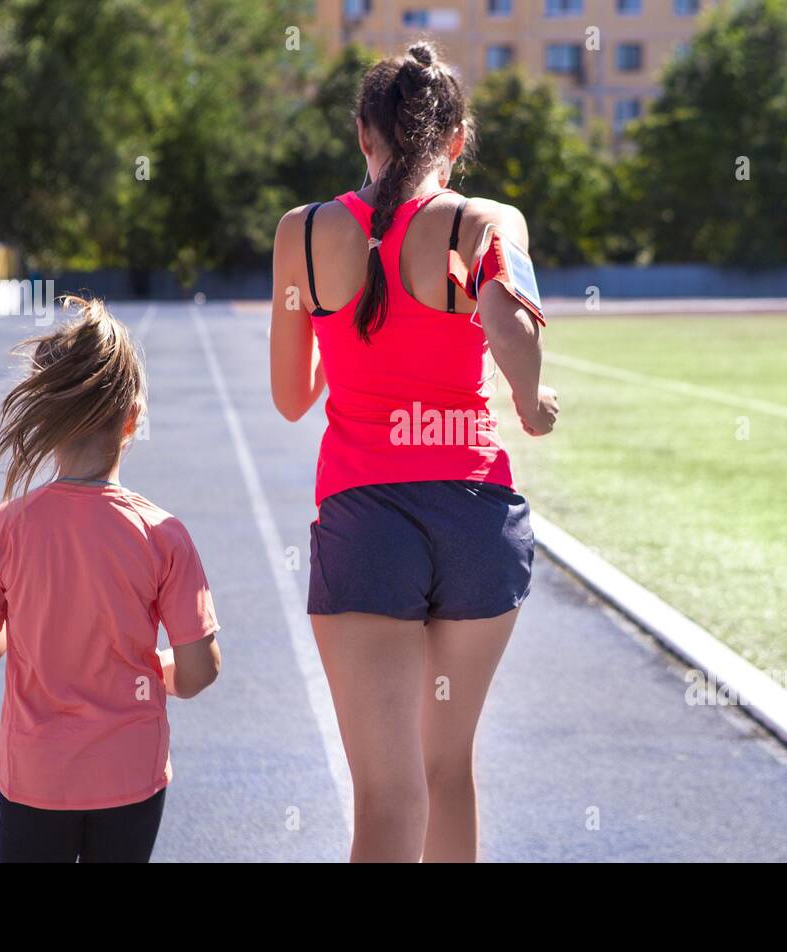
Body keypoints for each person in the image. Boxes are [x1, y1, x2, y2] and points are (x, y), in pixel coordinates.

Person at [270, 41, 559, 862]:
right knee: (446, 769)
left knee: (387, 796)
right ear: (457, 141)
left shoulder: (303, 232)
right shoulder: (485, 222)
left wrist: (344, 329)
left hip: (366, 518)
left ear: (363, 134)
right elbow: (510, 324)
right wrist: (531, 404)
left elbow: (291, 397)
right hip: (475, 515)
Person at [0, 296, 221, 863]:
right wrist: (158, 670)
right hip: (129, 774)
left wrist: (21, 625)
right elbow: (199, 670)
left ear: (45, 420)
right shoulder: (163, 534)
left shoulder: (5, 528)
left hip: (36, 776)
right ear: (132, 419)